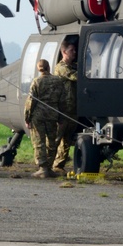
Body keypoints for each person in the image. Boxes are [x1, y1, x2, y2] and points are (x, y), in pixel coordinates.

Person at [25, 58, 65, 178]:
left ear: (39, 69)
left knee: (39, 141)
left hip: (38, 116)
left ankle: (43, 168)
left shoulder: (37, 82)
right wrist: (61, 117)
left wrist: (27, 117)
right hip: (53, 115)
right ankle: (49, 167)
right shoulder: (58, 81)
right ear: (48, 67)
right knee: (52, 141)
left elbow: (31, 101)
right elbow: (63, 100)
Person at [52, 38, 78, 172]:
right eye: (71, 50)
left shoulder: (74, 66)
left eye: (74, 50)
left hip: (73, 109)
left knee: (67, 140)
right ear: (64, 52)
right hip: (62, 110)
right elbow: (75, 77)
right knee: (56, 138)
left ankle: (58, 165)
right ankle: (47, 164)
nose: (74, 52)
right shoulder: (61, 68)